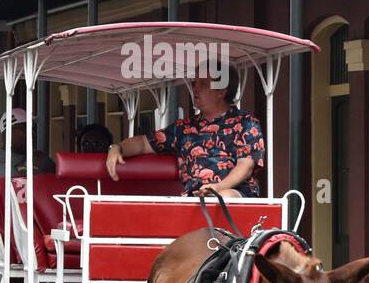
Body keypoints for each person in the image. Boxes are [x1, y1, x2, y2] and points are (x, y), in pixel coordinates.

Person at [106, 72, 265, 198]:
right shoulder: (184, 128)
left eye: (203, 84)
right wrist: (117, 148)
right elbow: (142, 143)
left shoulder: (246, 122)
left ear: (221, 91)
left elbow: (246, 166)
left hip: (235, 194)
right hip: (195, 200)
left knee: (224, 197)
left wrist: (217, 188)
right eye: (194, 83)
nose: (195, 89)